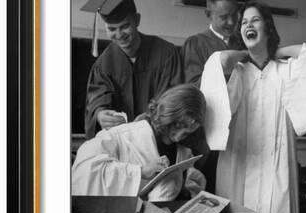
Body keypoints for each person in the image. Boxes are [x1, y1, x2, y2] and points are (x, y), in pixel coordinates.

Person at [200, 2, 306, 213]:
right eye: (243, 22)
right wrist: (243, 54)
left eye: (255, 20)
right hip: (241, 161)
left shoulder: (284, 70)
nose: (248, 25)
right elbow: (219, 66)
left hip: (276, 162)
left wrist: (280, 52)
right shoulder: (239, 72)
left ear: (268, 28)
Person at [83, 0, 182, 139]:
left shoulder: (166, 53)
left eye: (125, 26)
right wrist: (100, 114)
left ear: (137, 20)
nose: (119, 34)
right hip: (122, 146)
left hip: (158, 142)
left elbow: (174, 96)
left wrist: (149, 119)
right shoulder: (103, 64)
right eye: (112, 29)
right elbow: (97, 100)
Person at [72, 84, 206, 201]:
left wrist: (188, 181)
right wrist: (140, 171)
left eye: (187, 133)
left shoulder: (183, 151)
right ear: (168, 115)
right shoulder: (119, 136)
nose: (179, 136)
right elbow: (83, 172)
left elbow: (179, 191)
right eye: (178, 125)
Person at [181, 0, 245, 87]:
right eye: (224, 17)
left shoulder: (243, 42)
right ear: (208, 14)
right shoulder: (195, 45)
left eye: (234, 14)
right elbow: (192, 88)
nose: (231, 22)